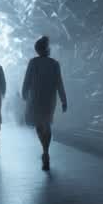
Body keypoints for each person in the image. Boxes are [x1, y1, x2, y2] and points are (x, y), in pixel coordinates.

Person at [21, 36, 67, 171]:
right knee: (46, 123)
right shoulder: (54, 64)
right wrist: (64, 100)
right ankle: (46, 151)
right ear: (47, 49)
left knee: (38, 124)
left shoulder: (33, 62)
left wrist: (24, 94)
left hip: (35, 97)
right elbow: (59, 83)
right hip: (49, 98)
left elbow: (27, 80)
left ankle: (45, 150)